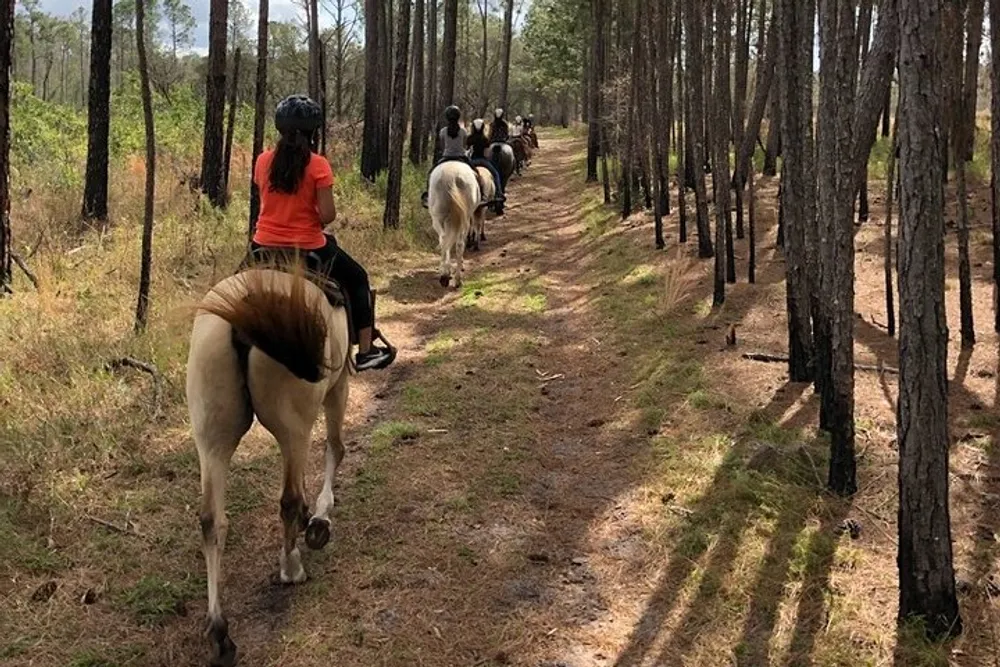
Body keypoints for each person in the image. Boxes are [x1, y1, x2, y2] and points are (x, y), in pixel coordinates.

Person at [248, 94, 395, 372]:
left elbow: (267, 202)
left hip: (262, 247)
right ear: (313, 131)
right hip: (309, 250)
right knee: (358, 278)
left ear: (280, 129)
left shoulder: (263, 161)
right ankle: (365, 351)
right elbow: (327, 215)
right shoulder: (318, 165)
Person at [421, 105, 480, 208]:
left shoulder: (443, 131)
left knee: (430, 174)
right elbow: (464, 145)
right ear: (458, 116)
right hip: (461, 157)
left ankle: (428, 195)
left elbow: (443, 146)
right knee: (476, 173)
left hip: (446, 157)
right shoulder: (463, 131)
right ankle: (481, 195)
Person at [467, 118, 505, 215]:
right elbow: (487, 154)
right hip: (483, 161)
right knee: (495, 174)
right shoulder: (485, 139)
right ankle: (499, 194)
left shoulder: (469, 139)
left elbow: (467, 152)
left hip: (472, 161)